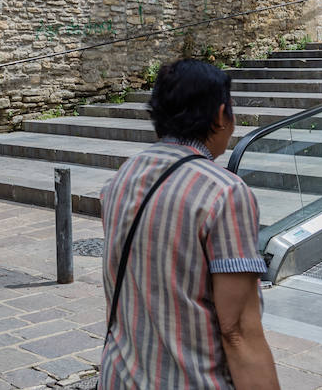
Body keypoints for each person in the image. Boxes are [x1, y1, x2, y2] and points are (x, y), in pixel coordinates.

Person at [99, 59, 279, 390]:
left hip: (119, 377)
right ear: (221, 114)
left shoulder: (124, 176)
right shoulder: (224, 193)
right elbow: (237, 329)